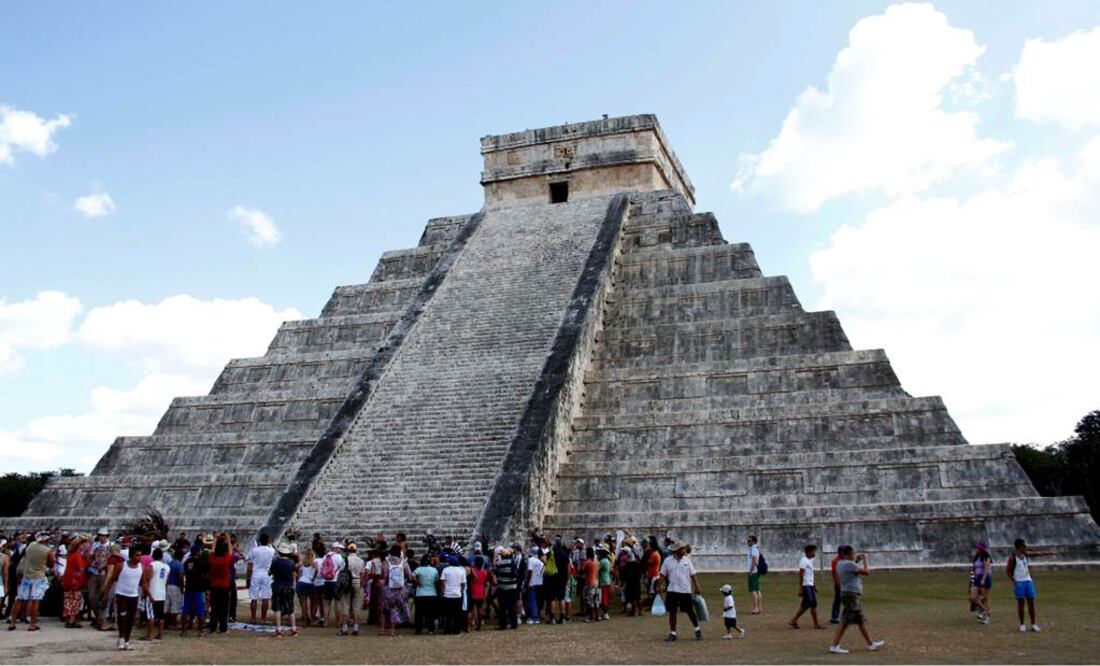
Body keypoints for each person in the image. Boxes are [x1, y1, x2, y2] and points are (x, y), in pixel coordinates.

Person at [829, 545, 885, 654]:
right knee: (844, 622)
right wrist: (865, 561)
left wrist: (857, 560)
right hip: (851, 595)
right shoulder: (848, 564)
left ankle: (871, 643)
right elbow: (866, 572)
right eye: (853, 554)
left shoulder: (840, 563)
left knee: (860, 621)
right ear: (848, 554)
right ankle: (834, 645)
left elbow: (852, 567)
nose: (854, 555)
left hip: (848, 594)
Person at [7, 532, 53, 632]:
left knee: (19, 599)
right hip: (38, 576)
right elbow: (51, 564)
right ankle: (32, 624)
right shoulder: (48, 550)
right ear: (45, 540)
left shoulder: (30, 547)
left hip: (27, 576)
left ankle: (12, 622)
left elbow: (23, 555)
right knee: (35, 600)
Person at [1006, 538, 1053, 633]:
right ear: (1019, 547)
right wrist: (1014, 582)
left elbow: (1035, 554)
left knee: (1031, 603)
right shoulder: (1013, 557)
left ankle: (1033, 624)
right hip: (1019, 582)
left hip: (1028, 581)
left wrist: (1047, 553)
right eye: (1024, 546)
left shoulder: (1025, 555)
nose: (1026, 547)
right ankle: (1022, 624)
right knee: (1021, 604)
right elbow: (1008, 571)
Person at [658, 539, 701, 641]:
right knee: (672, 612)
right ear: (677, 550)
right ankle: (673, 633)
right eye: (682, 549)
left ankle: (697, 629)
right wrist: (658, 585)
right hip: (672, 590)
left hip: (685, 590)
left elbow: (693, 575)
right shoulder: (668, 561)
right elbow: (663, 574)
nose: (684, 550)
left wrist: (697, 586)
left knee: (690, 611)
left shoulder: (687, 561)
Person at [105, 545, 143, 650]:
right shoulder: (121, 566)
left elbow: (143, 582)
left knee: (131, 619)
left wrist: (146, 594)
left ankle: (127, 640)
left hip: (133, 595)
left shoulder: (141, 567)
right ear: (131, 556)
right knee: (123, 617)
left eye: (140, 555)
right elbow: (112, 579)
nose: (138, 558)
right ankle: (121, 638)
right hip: (121, 594)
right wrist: (105, 594)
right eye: (136, 555)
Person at [789, 544, 824, 629]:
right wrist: (801, 587)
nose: (815, 554)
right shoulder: (804, 561)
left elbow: (810, 574)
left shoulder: (809, 561)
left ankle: (796, 620)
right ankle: (794, 619)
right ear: (809, 552)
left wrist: (814, 585)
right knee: (810, 603)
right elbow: (801, 574)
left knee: (811, 604)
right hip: (806, 585)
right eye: (814, 552)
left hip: (810, 585)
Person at [380, 544, 411, 637]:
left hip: (388, 589)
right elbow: (409, 575)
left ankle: (382, 629)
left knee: (384, 610)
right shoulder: (404, 563)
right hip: (399, 589)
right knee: (395, 609)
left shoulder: (386, 563)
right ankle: (392, 631)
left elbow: (384, 576)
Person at [270, 542, 299, 637]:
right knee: (290, 608)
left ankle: (279, 629)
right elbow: (294, 575)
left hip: (277, 585)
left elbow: (270, 572)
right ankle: (294, 628)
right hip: (288, 586)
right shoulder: (291, 562)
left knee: (277, 608)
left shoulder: (275, 561)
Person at [247, 532, 276, 624]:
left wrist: (248, 576)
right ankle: (263, 618)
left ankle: (253, 617)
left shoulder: (255, 550)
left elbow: (250, 563)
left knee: (254, 597)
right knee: (265, 597)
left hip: (256, 573)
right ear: (268, 541)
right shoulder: (271, 550)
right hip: (267, 574)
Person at [180, 544, 209, 637]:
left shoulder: (186, 562)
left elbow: (184, 573)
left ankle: (183, 631)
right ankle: (200, 632)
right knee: (200, 610)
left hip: (188, 588)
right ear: (197, 552)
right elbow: (206, 574)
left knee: (185, 610)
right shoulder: (201, 562)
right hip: (199, 589)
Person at [207, 535, 233, 634]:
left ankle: (212, 626)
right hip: (224, 586)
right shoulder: (225, 560)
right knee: (224, 608)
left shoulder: (212, 559)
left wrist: (215, 539)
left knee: (214, 608)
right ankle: (223, 627)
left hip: (214, 585)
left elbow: (212, 550)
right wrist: (228, 539)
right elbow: (230, 550)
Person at [142, 547, 169, 640]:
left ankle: (149, 635)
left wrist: (146, 592)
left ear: (153, 556)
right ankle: (160, 634)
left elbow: (146, 580)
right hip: (162, 593)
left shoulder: (151, 565)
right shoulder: (167, 567)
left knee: (150, 615)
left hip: (152, 593)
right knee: (160, 615)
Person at [61, 534, 88, 628]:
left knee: (68, 599)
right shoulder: (77, 555)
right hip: (75, 581)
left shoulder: (70, 554)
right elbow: (81, 568)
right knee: (75, 600)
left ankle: (69, 618)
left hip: (68, 579)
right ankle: (72, 620)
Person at [342, 542, 365, 636]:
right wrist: (361, 584)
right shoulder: (360, 560)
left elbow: (342, 571)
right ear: (356, 550)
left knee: (345, 605)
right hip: (357, 582)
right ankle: (356, 627)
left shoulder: (345, 560)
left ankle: (344, 628)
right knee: (356, 606)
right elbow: (362, 574)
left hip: (347, 583)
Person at [492, 548, 518, 630]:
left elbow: (494, 571)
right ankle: (514, 624)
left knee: (502, 607)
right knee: (512, 606)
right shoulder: (513, 562)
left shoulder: (499, 563)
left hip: (502, 588)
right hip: (512, 587)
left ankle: (503, 625)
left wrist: (495, 556)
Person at [413, 554, 439, 634]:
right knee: (431, 613)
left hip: (420, 593)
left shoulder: (418, 569)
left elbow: (412, 576)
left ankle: (418, 630)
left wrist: (418, 582)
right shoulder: (434, 570)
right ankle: (431, 629)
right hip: (432, 593)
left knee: (419, 613)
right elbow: (437, 580)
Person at [440, 555, 466, 635]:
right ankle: (456, 630)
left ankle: (447, 630)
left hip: (447, 594)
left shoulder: (445, 570)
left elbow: (442, 582)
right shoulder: (461, 571)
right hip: (457, 595)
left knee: (448, 614)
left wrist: (442, 592)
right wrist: (460, 592)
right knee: (457, 614)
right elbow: (463, 584)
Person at [969, 540, 993, 625]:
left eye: (978, 548)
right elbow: (974, 567)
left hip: (985, 577)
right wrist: (972, 575)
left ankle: (987, 615)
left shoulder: (986, 557)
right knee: (973, 597)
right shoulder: (976, 557)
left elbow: (987, 568)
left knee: (985, 598)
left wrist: (983, 578)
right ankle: (983, 611)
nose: (976, 549)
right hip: (977, 577)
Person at [523, 547, 545, 625]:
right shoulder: (541, 562)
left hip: (532, 583)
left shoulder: (531, 560)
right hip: (540, 583)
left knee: (531, 600)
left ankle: (533, 617)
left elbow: (530, 571)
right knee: (537, 600)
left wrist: (527, 582)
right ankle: (537, 617)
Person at [165, 547, 185, 630]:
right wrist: (182, 587)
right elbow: (181, 577)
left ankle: (166, 623)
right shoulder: (180, 565)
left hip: (167, 586)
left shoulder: (169, 563)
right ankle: (173, 624)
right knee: (175, 606)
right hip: (176, 586)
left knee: (167, 606)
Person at [468, 556, 490, 630]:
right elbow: (486, 582)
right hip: (481, 591)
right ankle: (479, 625)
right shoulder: (484, 572)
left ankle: (470, 624)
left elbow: (470, 581)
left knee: (470, 609)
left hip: (473, 591)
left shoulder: (473, 570)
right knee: (480, 608)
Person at [581, 547, 600, 623]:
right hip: (596, 582)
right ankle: (597, 616)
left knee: (590, 601)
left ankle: (591, 617)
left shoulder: (587, 562)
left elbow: (582, 570)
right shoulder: (596, 561)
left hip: (589, 583)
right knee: (596, 601)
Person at [746, 535, 762, 615]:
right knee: (757, 589)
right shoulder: (754, 549)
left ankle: (756, 608)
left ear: (753, 541)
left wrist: (751, 571)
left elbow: (754, 561)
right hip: (756, 571)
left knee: (753, 590)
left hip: (753, 572)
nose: (748, 542)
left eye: (749, 541)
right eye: (748, 540)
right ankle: (759, 607)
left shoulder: (753, 550)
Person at [597, 547, 613, 621]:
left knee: (602, 599)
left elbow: (597, 570)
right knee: (606, 598)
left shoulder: (602, 561)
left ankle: (603, 613)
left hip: (603, 581)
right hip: (608, 580)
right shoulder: (608, 561)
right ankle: (605, 613)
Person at [829, 546, 843, 624]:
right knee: (838, 599)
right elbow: (834, 572)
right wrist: (837, 583)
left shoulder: (844, 559)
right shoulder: (835, 561)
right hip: (839, 583)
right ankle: (834, 617)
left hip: (845, 582)